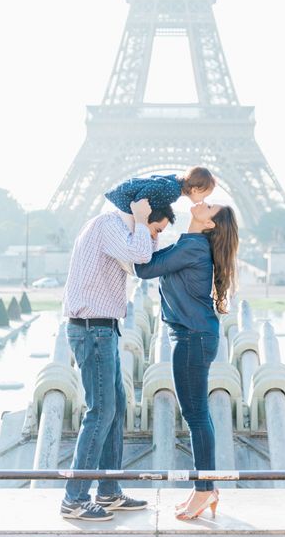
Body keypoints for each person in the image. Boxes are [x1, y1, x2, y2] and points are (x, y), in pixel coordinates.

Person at [60, 199, 175, 522]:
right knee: (101, 412)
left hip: (104, 329)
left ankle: (108, 490)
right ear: (143, 216)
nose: (155, 238)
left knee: (116, 409)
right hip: (92, 329)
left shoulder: (116, 231)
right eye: (157, 229)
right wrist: (141, 222)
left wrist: (143, 227)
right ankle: (74, 498)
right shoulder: (109, 226)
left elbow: (144, 258)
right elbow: (142, 258)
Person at [135, 201, 239, 521]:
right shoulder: (189, 244)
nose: (203, 202)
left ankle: (205, 488)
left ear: (209, 225)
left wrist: (142, 223)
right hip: (194, 337)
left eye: (210, 207)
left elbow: (145, 268)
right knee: (198, 416)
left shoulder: (192, 247)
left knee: (195, 417)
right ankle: (205, 488)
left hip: (192, 339)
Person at [105, 167, 215, 230]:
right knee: (132, 231)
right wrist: (139, 203)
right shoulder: (174, 191)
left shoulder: (174, 182)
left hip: (127, 190)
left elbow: (156, 181)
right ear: (194, 190)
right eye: (204, 196)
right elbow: (153, 186)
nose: (203, 200)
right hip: (127, 197)